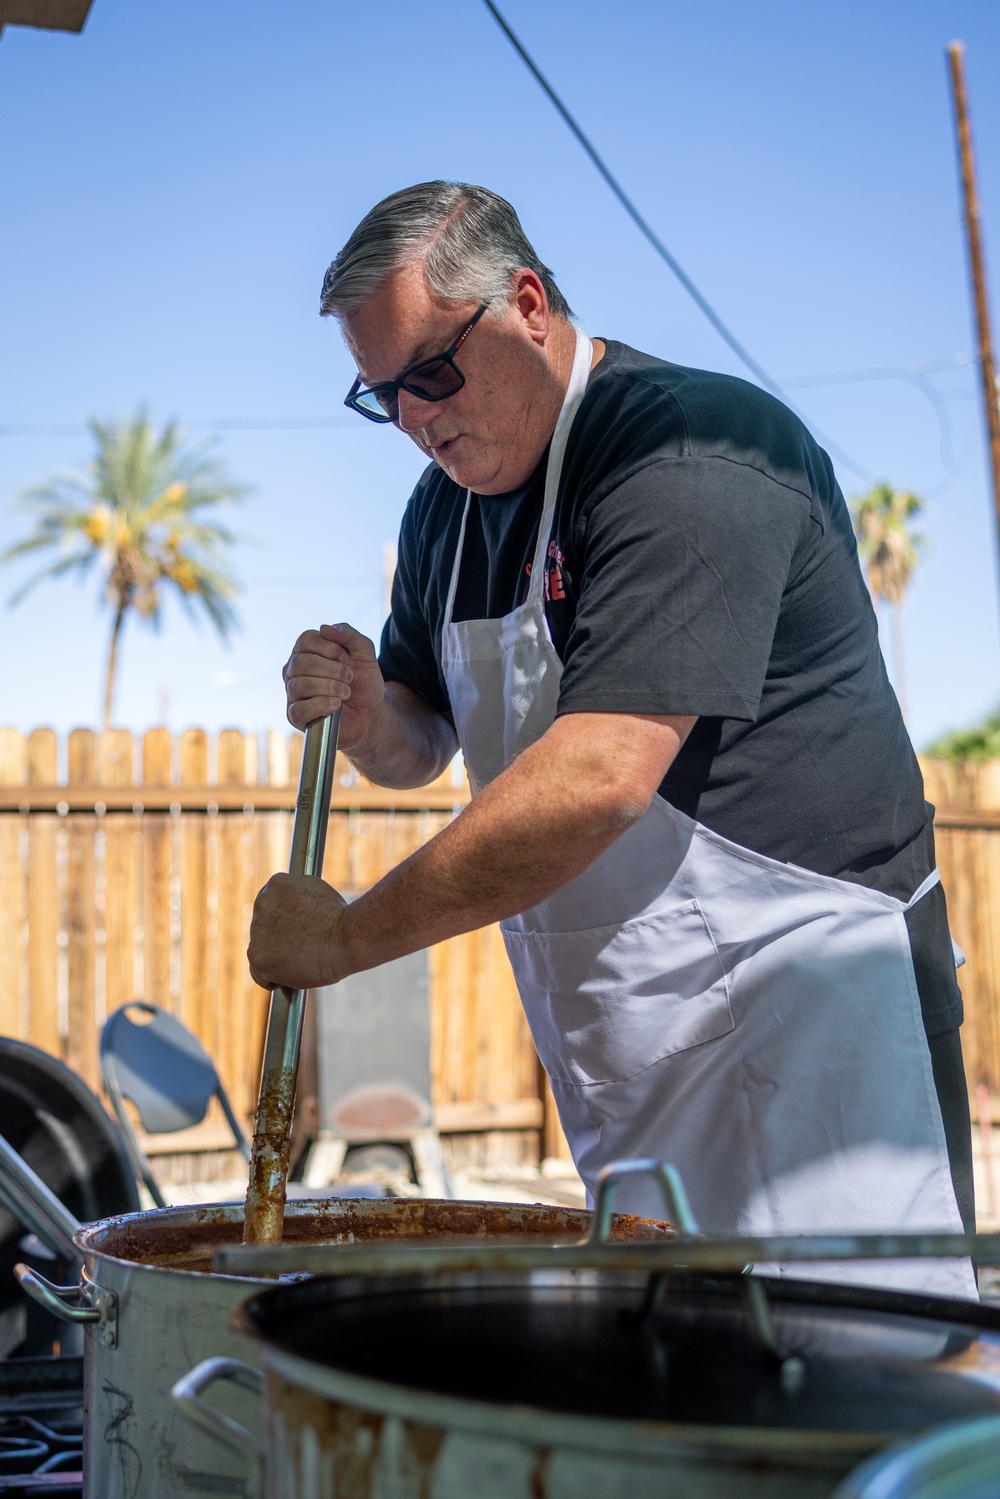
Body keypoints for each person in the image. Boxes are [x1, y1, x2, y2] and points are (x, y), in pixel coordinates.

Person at [248, 181, 976, 1296]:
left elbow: (598, 777)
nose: (414, 421)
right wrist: (364, 711)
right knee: (673, 1413)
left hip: (814, 1030)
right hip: (636, 1057)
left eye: (431, 374)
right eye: (379, 395)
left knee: (858, 1401)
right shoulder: (441, 513)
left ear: (525, 304)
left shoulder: (691, 452)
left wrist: (345, 939)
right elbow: (421, 738)